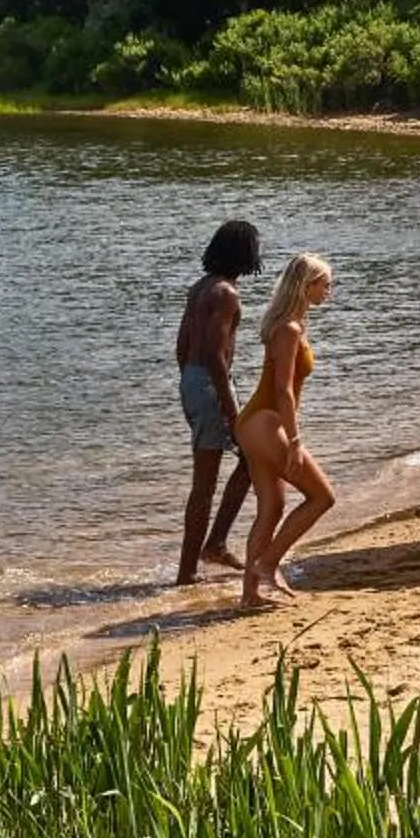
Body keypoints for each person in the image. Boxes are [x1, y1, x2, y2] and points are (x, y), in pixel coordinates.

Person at [235, 252, 336, 609]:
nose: (330, 290)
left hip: (254, 424)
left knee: (271, 507)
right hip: (264, 424)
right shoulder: (289, 329)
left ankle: (250, 596)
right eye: (325, 283)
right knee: (322, 496)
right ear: (306, 286)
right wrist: (294, 442)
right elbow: (283, 391)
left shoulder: (289, 323)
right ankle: (268, 564)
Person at [174, 219, 261, 584]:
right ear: (243, 252)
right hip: (212, 383)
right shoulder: (226, 293)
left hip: (192, 381)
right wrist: (231, 410)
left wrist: (190, 387)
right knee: (225, 472)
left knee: (243, 462)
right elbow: (215, 355)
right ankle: (195, 564)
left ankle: (208, 551)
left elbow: (181, 347)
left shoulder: (199, 288)